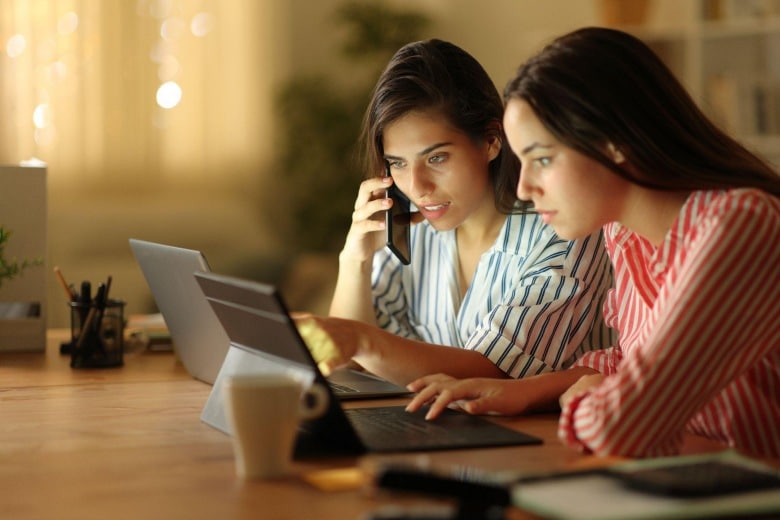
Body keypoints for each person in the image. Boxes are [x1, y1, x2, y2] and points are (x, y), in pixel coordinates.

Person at [406, 27, 780, 459]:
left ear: (615, 142)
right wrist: (524, 391)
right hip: (688, 481)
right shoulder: (624, 233)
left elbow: (619, 426)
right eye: (522, 161)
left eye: (542, 159)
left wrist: (586, 398)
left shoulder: (740, 226)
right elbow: (627, 362)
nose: (524, 188)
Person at [295, 39, 614, 387]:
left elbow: (493, 372)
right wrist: (355, 261)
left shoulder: (562, 228)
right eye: (398, 163)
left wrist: (361, 340)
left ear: (492, 141)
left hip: (548, 436)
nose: (417, 187)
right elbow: (354, 367)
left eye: (436, 158)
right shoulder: (413, 226)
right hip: (440, 430)